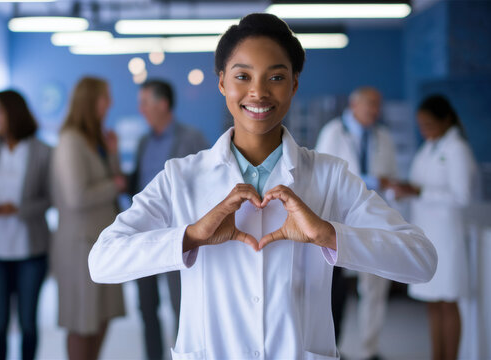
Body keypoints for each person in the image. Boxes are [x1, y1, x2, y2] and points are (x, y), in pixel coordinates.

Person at [88, 13, 437, 360]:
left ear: (295, 84)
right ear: (222, 82)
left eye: (276, 77)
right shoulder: (181, 177)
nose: (258, 91)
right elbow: (103, 261)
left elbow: (421, 260)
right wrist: (191, 235)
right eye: (243, 76)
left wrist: (328, 234)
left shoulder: (329, 176)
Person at [386, 95, 476, 360]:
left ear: (445, 119)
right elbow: (419, 186)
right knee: (432, 301)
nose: (423, 130)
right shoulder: (429, 148)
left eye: (428, 124)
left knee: (448, 300)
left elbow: (462, 196)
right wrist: (405, 189)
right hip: (427, 234)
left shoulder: (456, 148)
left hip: (447, 236)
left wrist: (419, 191)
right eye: (420, 125)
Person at [315, 87, 399, 360]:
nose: (375, 110)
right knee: (333, 289)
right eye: (370, 104)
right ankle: (332, 348)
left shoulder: (383, 137)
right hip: (338, 222)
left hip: (373, 222)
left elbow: (391, 178)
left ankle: (369, 350)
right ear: (354, 105)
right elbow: (326, 177)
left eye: (378, 105)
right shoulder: (333, 132)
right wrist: (375, 181)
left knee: (374, 288)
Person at [130, 79, 208, 360]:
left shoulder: (192, 138)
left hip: (180, 237)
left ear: (163, 104)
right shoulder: (143, 142)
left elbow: (208, 185)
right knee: (147, 309)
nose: (141, 110)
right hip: (145, 238)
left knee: (182, 306)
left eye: (144, 103)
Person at [50, 77, 126, 360]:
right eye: (106, 97)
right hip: (80, 245)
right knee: (82, 322)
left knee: (102, 316)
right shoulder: (70, 141)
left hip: (102, 241)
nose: (111, 104)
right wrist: (114, 185)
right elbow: (76, 196)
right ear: (91, 102)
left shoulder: (96, 140)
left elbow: (116, 180)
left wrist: (114, 152)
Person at [0, 90, 51, 360]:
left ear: (13, 112)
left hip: (30, 251)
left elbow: (49, 198)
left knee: (28, 324)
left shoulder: (42, 152)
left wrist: (18, 209)